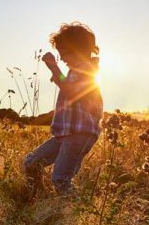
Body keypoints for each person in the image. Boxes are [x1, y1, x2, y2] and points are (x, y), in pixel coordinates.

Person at [23, 22, 103, 196]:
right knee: (31, 163)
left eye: (65, 53)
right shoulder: (75, 71)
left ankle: (75, 212)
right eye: (60, 54)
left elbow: (70, 90)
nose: (62, 58)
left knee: (60, 178)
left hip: (79, 134)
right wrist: (58, 74)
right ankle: (37, 198)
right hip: (66, 133)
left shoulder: (87, 70)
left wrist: (53, 67)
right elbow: (68, 86)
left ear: (79, 50)